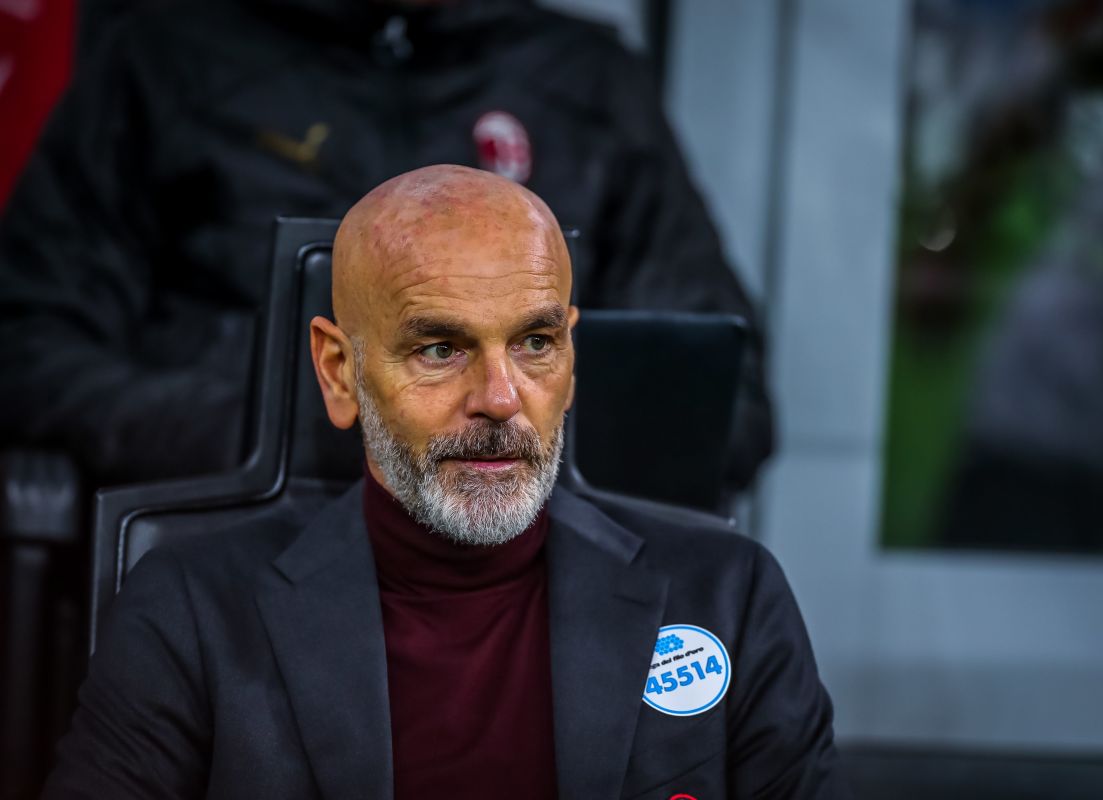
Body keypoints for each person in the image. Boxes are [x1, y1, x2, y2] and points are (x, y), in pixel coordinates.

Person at [42, 166, 848, 799]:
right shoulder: (191, 611)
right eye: (439, 349)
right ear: (339, 372)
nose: (500, 398)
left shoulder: (727, 597)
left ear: (572, 357)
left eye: (535, 343)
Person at [0, 0, 772, 492]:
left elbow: (722, 402)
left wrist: (500, 442)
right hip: (230, 541)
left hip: (528, 566)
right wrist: (279, 433)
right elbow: (27, 347)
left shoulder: (588, 82)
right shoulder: (166, 56)